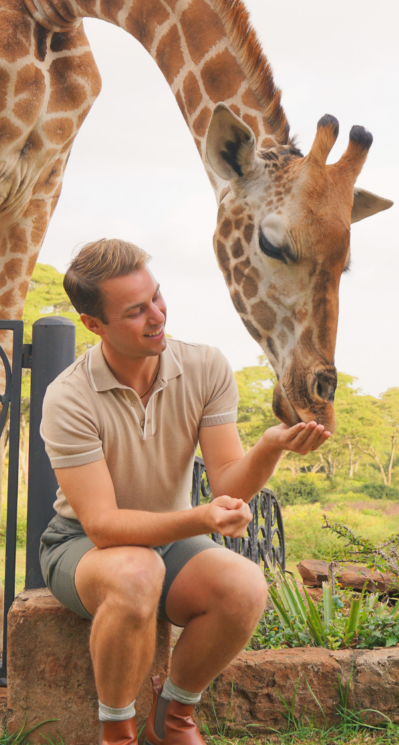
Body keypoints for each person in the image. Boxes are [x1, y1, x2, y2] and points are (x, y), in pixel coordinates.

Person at [39, 239, 329, 745]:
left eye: (157, 297)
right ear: (94, 325)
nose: (157, 316)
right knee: (136, 571)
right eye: (135, 311)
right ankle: (118, 733)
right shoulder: (69, 396)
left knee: (244, 586)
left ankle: (172, 717)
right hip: (82, 546)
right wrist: (201, 520)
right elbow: (103, 526)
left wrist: (268, 448)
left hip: (169, 539)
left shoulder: (205, 367)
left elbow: (227, 483)